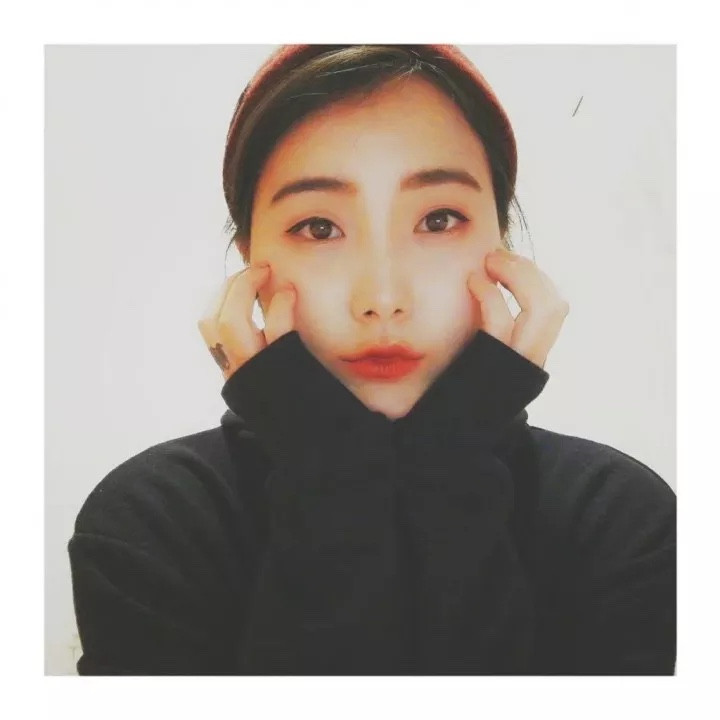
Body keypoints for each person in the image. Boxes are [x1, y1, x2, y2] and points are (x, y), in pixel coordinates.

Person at [67, 44, 676, 675]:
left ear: (504, 247)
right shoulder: (156, 519)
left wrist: (454, 460)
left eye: (438, 220)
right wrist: (328, 472)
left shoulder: (617, 517)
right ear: (249, 259)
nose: (383, 298)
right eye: (319, 228)